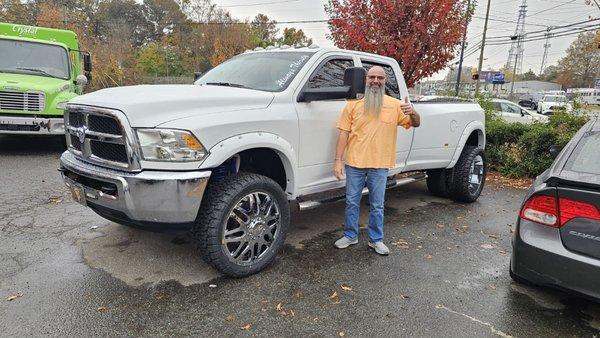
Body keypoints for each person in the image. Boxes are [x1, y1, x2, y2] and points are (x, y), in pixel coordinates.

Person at [333, 66, 421, 255]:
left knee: (377, 204)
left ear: (385, 81)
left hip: (380, 164)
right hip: (354, 163)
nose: (375, 81)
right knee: (351, 202)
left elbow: (415, 123)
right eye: (371, 77)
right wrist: (338, 161)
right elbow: (343, 134)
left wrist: (413, 111)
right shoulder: (352, 105)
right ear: (366, 80)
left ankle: (376, 240)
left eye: (379, 78)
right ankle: (350, 235)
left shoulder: (395, 105)